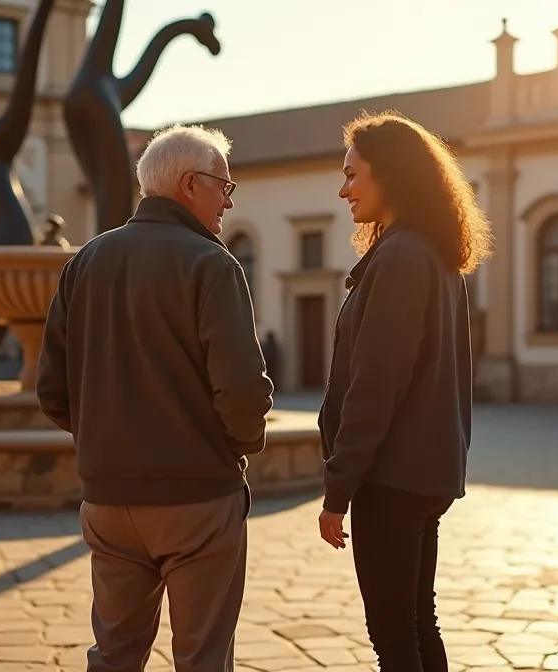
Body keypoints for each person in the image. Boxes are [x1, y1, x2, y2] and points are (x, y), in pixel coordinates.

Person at [36, 123, 274, 672]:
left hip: (108, 500)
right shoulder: (212, 264)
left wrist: (108, 441)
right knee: (202, 658)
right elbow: (240, 387)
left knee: (114, 656)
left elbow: (52, 388)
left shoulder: (84, 263)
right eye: (224, 186)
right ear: (190, 184)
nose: (228, 201)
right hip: (198, 499)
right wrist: (237, 446)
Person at [317, 110, 492, 671]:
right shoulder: (432, 254)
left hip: (390, 478)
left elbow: (375, 385)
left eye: (352, 174)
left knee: (395, 638)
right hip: (427, 473)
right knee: (418, 625)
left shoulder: (399, 258)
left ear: (388, 174)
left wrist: (338, 488)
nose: (343, 189)